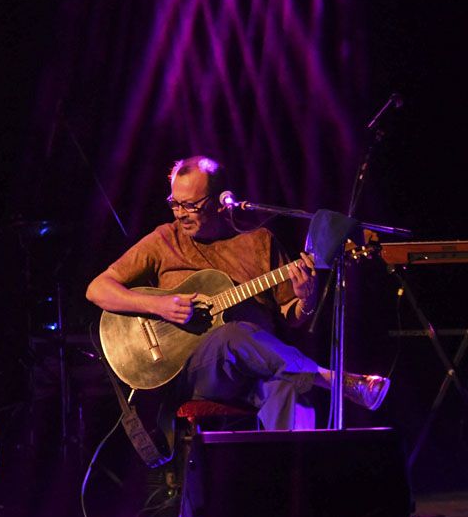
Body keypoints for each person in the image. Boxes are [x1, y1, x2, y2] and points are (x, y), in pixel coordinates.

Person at [85, 155, 389, 430]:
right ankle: (334, 380)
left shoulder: (258, 242)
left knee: (292, 391)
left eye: (191, 205)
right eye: (175, 203)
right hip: (196, 371)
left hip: (256, 370)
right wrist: (160, 305)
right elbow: (97, 289)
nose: (180, 213)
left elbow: (291, 315)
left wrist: (306, 297)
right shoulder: (164, 239)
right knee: (233, 334)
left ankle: (294, 484)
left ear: (220, 201)